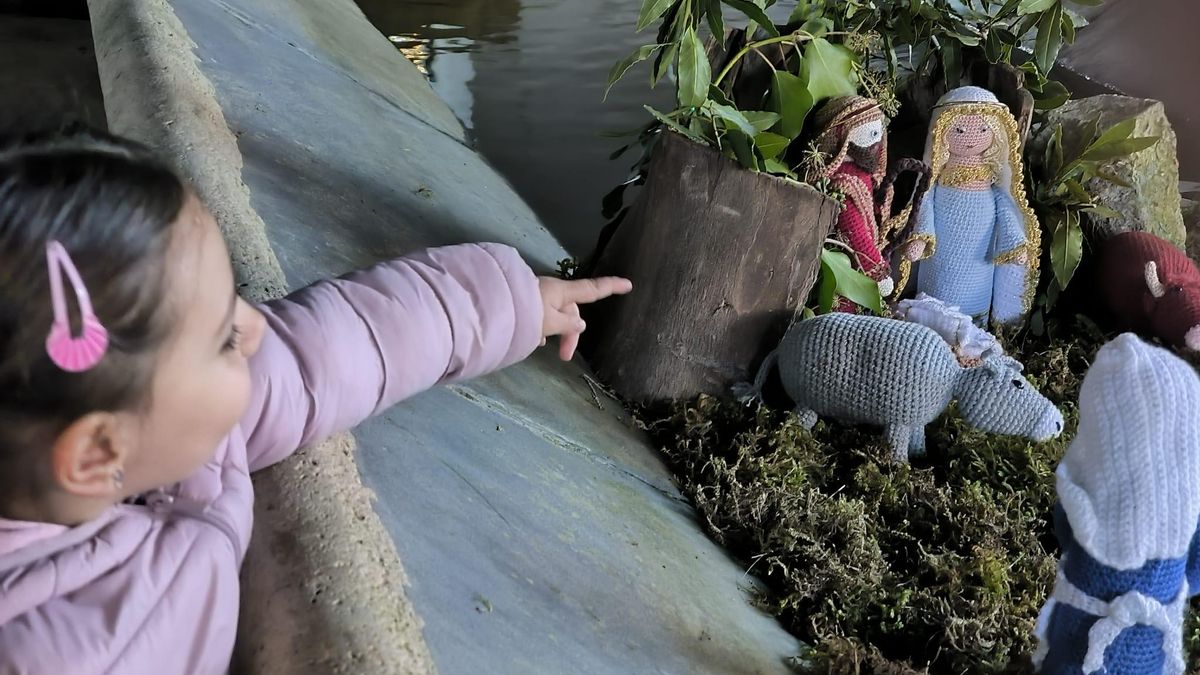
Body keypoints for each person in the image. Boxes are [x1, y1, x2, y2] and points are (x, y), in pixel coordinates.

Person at [0, 128, 631, 673]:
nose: (254, 328)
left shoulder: (151, 422)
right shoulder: (58, 654)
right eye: (223, 335)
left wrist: (507, 302)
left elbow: (323, 353)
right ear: (96, 453)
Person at [901, 86, 1040, 329]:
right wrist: (919, 239)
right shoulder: (935, 186)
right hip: (938, 265)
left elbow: (1007, 215)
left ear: (995, 133)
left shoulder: (994, 192)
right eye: (959, 129)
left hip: (978, 270)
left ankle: (972, 336)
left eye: (983, 129)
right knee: (932, 308)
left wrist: (1016, 244)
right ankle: (926, 323)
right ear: (942, 130)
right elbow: (923, 207)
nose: (969, 137)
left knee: (971, 320)